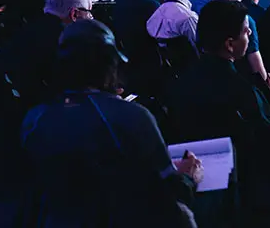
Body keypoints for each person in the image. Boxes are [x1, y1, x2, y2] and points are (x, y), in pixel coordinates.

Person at [22, 19, 202, 227]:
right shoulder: (131, 117)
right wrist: (189, 177)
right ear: (110, 66)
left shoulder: (34, 120)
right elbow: (169, 194)